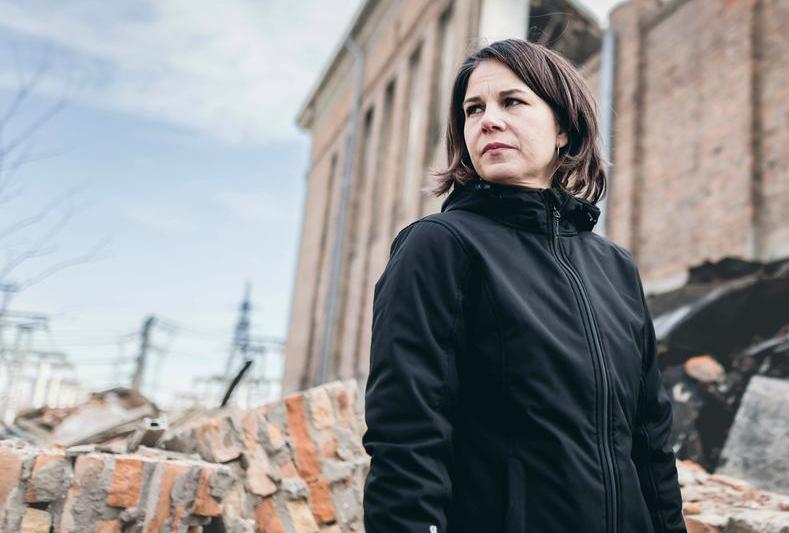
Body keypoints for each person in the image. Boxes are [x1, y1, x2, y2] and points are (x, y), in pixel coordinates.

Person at [361, 39, 686, 533]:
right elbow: (406, 436)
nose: (488, 121)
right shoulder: (439, 246)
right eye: (473, 109)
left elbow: (651, 443)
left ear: (563, 128)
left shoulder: (616, 268)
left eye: (511, 102)